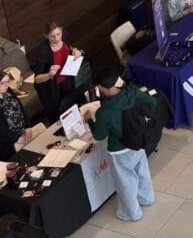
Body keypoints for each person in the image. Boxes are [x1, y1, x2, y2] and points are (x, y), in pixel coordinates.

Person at [89, 68, 156, 222]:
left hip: (120, 151)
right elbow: (152, 102)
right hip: (139, 142)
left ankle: (131, 213)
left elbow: (99, 136)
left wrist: (89, 120)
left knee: (126, 181)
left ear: (102, 88)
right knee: (142, 172)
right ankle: (147, 198)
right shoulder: (132, 91)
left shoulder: (104, 111)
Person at [31, 21, 84, 122]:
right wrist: (49, 74)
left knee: (71, 106)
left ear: (62, 31)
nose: (57, 39)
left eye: (58, 34)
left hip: (67, 80)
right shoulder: (43, 51)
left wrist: (75, 51)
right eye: (52, 36)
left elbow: (69, 47)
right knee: (56, 115)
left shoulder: (65, 36)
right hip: (51, 88)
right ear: (46, 36)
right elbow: (37, 79)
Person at [0, 70, 35, 161]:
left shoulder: (9, 91)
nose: (7, 85)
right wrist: (17, 139)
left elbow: (21, 109)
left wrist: (28, 126)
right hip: (6, 147)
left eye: (8, 81)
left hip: (22, 136)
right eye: (3, 83)